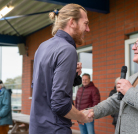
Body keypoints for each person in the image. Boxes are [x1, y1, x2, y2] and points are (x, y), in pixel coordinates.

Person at [29, 4, 93, 134]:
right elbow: (60, 104)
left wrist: (72, 76)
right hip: (55, 129)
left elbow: (40, 86)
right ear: (72, 22)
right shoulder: (67, 50)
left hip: (36, 128)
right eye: (85, 23)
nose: (88, 29)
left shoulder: (42, 47)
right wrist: (82, 116)